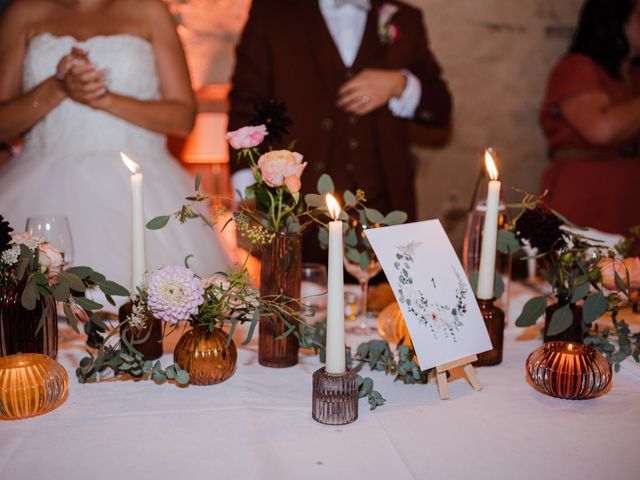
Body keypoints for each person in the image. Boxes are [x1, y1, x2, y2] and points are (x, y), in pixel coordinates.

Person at [0, 0, 231, 289]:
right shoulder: (23, 13)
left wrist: (103, 98)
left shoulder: (149, 10)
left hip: (143, 186)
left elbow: (183, 117)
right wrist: (57, 88)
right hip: (37, 188)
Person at [228, 0, 452, 260]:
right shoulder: (273, 12)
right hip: (295, 215)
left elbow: (440, 108)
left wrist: (399, 84)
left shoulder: (404, 18)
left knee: (383, 300)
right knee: (298, 298)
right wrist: (252, 203)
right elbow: (246, 106)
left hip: (383, 216)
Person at [540, 0, 640, 234]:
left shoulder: (635, 75)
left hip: (630, 198)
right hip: (588, 196)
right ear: (616, 22)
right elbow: (601, 130)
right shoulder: (576, 69)